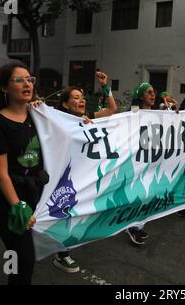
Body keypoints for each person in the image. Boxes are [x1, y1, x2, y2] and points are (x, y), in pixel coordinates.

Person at [0, 62, 46, 285]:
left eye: (29, 79)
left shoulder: (39, 116)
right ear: (4, 88)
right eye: (19, 80)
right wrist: (18, 207)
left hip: (33, 193)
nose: (27, 84)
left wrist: (83, 122)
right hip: (6, 199)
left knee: (24, 257)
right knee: (22, 260)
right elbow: (0, 174)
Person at [53, 71, 116, 272]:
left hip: (82, 175)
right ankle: (61, 253)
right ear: (65, 104)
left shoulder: (88, 118)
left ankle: (62, 249)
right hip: (60, 175)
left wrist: (106, 87)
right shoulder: (57, 120)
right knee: (62, 210)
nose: (81, 100)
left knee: (74, 212)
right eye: (76, 98)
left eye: (82, 97)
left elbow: (112, 109)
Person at [125, 82, 157, 246]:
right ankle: (133, 226)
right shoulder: (135, 112)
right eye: (149, 92)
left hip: (153, 160)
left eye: (154, 92)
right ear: (141, 96)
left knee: (149, 193)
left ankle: (137, 223)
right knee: (139, 193)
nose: (153, 95)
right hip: (137, 160)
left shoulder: (160, 114)